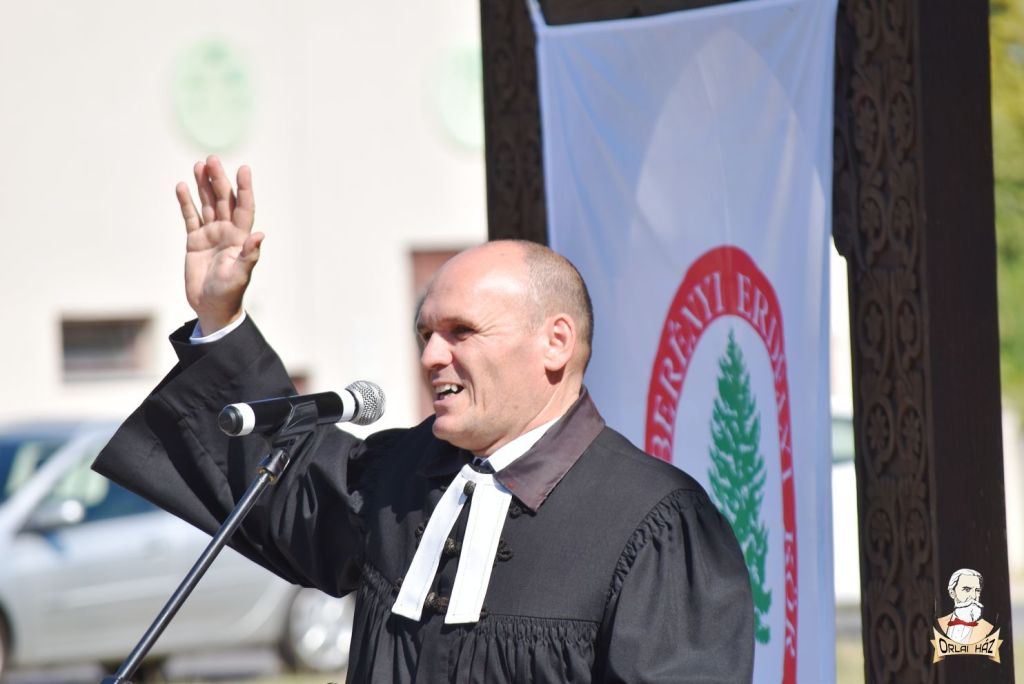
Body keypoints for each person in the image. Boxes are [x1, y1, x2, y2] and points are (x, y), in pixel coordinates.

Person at [94, 156, 754, 682]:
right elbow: (282, 485)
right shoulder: (404, 475)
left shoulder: (656, 525)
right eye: (425, 335)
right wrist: (220, 318)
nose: (433, 355)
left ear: (555, 343)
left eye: (461, 331)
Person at [937, 568, 993, 645]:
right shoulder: (940, 624)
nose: (974, 596)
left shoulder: (987, 629)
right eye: (967, 589)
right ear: (952, 593)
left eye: (977, 590)